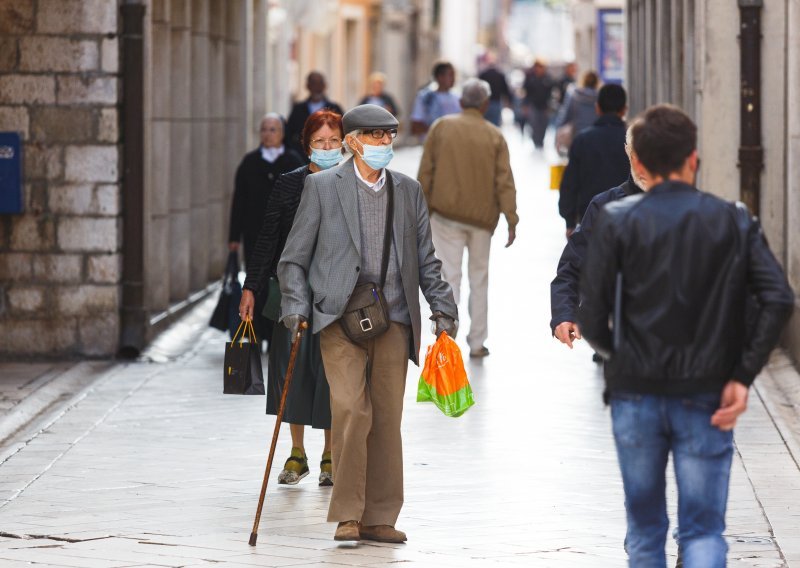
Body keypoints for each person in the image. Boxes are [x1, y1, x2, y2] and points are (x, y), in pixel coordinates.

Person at [578, 104, 794, 566]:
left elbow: (592, 316)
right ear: (693, 159)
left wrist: (619, 357)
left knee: (644, 530)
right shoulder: (733, 219)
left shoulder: (616, 220)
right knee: (703, 531)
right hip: (708, 390)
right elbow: (778, 297)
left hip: (635, 393)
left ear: (639, 163)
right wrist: (741, 374)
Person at [278, 104, 458, 543]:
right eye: (374, 136)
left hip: (394, 319)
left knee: (386, 419)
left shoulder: (408, 191)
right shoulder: (322, 188)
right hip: (338, 318)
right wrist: (296, 307)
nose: (383, 144)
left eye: (388, 136)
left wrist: (442, 308)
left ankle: (381, 518)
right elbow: (293, 259)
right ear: (352, 142)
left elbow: (427, 258)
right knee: (351, 412)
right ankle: (348, 514)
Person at [239, 110, 344, 487]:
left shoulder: (350, 182)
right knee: (292, 373)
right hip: (291, 292)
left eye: (334, 141)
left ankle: (331, 454)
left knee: (333, 375)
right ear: (307, 145)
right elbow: (267, 238)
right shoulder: (289, 184)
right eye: (320, 142)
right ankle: (297, 454)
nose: (328, 148)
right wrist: (251, 287)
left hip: (335, 297)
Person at [417, 79, 518, 358]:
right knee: (479, 278)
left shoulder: (441, 128)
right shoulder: (494, 135)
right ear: (485, 105)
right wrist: (511, 218)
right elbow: (504, 181)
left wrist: (418, 212)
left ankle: (447, 336)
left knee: (449, 276)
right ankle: (477, 342)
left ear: (461, 102)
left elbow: (426, 172)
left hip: (445, 217)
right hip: (482, 221)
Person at [550, 125, 647, 362]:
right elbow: (573, 265)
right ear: (627, 152)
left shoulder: (690, 211)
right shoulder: (605, 206)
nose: (643, 165)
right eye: (637, 155)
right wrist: (564, 313)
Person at [228, 113, 305, 342]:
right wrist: (234, 237)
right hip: (254, 234)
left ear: (282, 133)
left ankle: (275, 334)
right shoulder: (250, 162)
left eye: (273, 129)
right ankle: (257, 332)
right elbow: (239, 201)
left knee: (278, 283)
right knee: (255, 281)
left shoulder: (294, 161)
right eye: (264, 129)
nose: (268, 134)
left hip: (285, 237)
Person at [558, 83, 629, 236]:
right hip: (627, 221)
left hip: (589, 220)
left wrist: (569, 221)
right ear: (624, 109)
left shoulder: (582, 140)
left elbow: (570, 183)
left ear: (597, 108)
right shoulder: (633, 142)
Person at [285, 71, 344, 155]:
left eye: (319, 83)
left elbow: (344, 131)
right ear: (307, 86)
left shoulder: (334, 108)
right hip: (303, 156)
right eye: (313, 83)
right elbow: (289, 134)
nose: (317, 87)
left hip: (329, 154)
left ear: (324, 86)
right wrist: (296, 151)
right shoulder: (298, 109)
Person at [410, 61, 461, 137]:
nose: (454, 79)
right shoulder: (425, 97)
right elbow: (416, 125)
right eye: (450, 75)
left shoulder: (458, 98)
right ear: (440, 77)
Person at [554, 70, 600, 153]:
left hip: (577, 136)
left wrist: (557, 131)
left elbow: (565, 116)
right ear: (597, 82)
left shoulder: (574, 96)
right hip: (596, 137)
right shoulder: (600, 98)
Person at [522, 59, 554, 149]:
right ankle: (536, 141)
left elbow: (552, 93)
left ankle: (541, 141)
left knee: (543, 124)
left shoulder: (548, 78)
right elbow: (526, 92)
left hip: (545, 106)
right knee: (534, 124)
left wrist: (550, 106)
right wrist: (525, 105)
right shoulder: (530, 78)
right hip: (533, 105)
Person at [478, 55, 513, 126]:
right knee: (495, 125)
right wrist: (510, 101)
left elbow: (478, 89)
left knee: (484, 124)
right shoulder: (500, 75)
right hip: (496, 103)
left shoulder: (483, 74)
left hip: (485, 104)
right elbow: (506, 90)